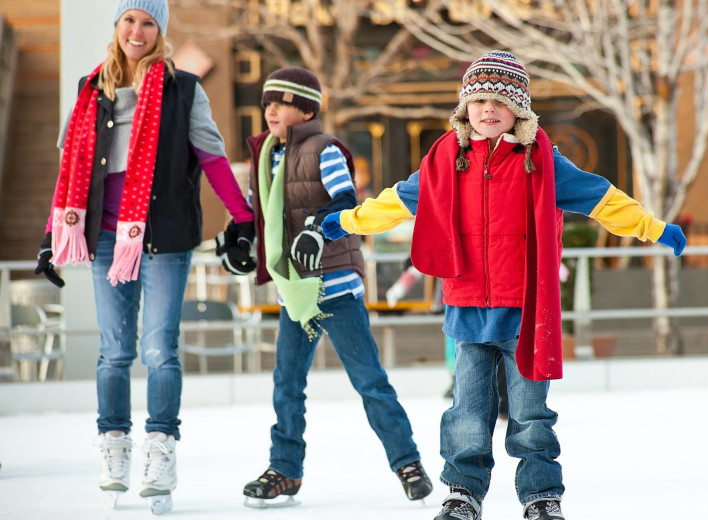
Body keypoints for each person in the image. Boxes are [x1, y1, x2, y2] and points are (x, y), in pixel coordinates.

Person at [321, 50, 687, 520]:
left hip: (526, 310)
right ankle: (463, 494)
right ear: (464, 109)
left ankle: (540, 495)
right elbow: (395, 201)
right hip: (468, 306)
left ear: (519, 108)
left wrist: (653, 228)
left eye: (499, 99)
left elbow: (604, 199)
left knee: (531, 415)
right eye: (478, 101)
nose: (487, 109)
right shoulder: (445, 163)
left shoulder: (543, 163)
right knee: (467, 414)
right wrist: (350, 220)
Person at [34, 0, 255, 513]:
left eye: (149, 22)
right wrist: (51, 233)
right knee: (114, 352)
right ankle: (114, 446)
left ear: (160, 32)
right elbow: (70, 169)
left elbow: (212, 157)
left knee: (159, 349)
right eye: (130, 20)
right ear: (118, 26)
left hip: (165, 236)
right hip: (104, 236)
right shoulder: (91, 91)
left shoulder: (184, 89)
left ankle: (161, 448)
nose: (138, 30)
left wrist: (241, 219)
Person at [234, 66, 433, 508]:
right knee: (287, 383)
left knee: (369, 382)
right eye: (266, 102)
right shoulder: (266, 154)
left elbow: (346, 200)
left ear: (305, 108)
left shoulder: (324, 149)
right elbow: (259, 212)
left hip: (336, 287)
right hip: (295, 291)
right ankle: (285, 470)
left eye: (280, 102)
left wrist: (318, 230)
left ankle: (407, 462)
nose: (270, 110)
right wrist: (239, 234)